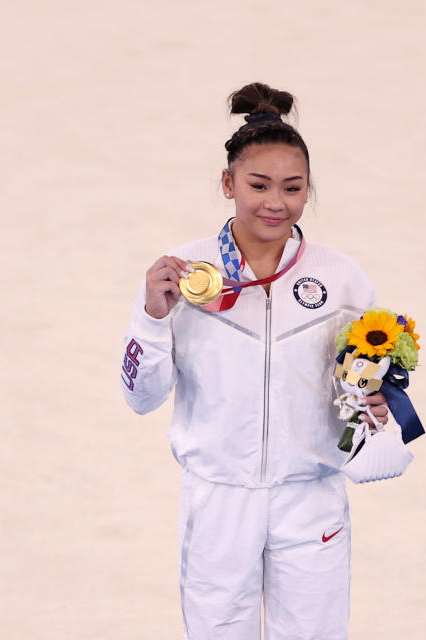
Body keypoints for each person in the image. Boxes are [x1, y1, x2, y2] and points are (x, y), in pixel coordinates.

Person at [120, 82, 389, 640]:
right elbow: (141, 398)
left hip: (309, 494)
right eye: (258, 185)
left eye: (292, 188)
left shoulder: (340, 277)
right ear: (228, 184)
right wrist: (151, 317)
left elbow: (369, 377)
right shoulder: (184, 272)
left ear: (308, 190)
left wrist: (378, 402)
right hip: (219, 496)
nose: (275, 202)